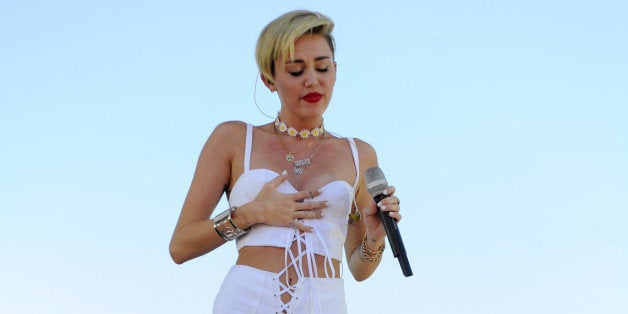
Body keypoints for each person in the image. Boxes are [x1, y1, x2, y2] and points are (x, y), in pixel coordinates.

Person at [169, 10, 402, 313]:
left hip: (325, 303)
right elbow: (180, 246)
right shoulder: (232, 138)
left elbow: (359, 269)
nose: (312, 80)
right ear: (269, 79)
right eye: (295, 71)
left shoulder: (360, 153)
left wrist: (374, 237)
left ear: (335, 71)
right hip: (245, 301)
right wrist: (248, 214)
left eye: (322, 68)